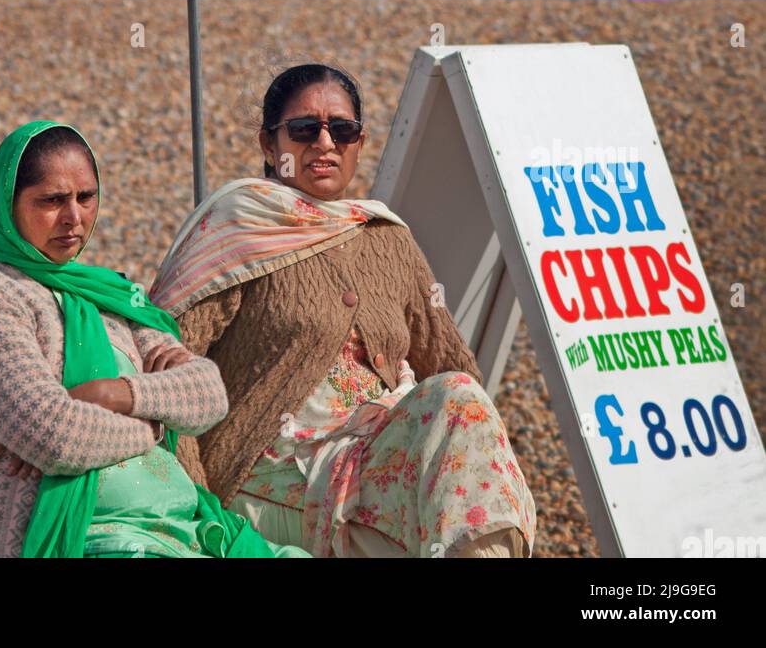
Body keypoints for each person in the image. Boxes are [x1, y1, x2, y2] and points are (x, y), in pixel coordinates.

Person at [150, 64, 537, 559]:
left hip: (375, 459)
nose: (325, 143)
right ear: (270, 146)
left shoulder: (386, 237)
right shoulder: (233, 231)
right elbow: (163, 376)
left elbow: (451, 366)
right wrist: (197, 504)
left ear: (359, 142)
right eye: (305, 129)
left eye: (343, 129)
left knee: (460, 401)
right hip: (269, 477)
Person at [0, 120, 309, 559]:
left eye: (86, 197)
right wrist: (157, 420)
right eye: (52, 201)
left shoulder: (109, 295)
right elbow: (55, 438)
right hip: (81, 538)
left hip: (179, 528)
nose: (74, 217)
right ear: (7, 204)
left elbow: (208, 394)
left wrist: (117, 393)